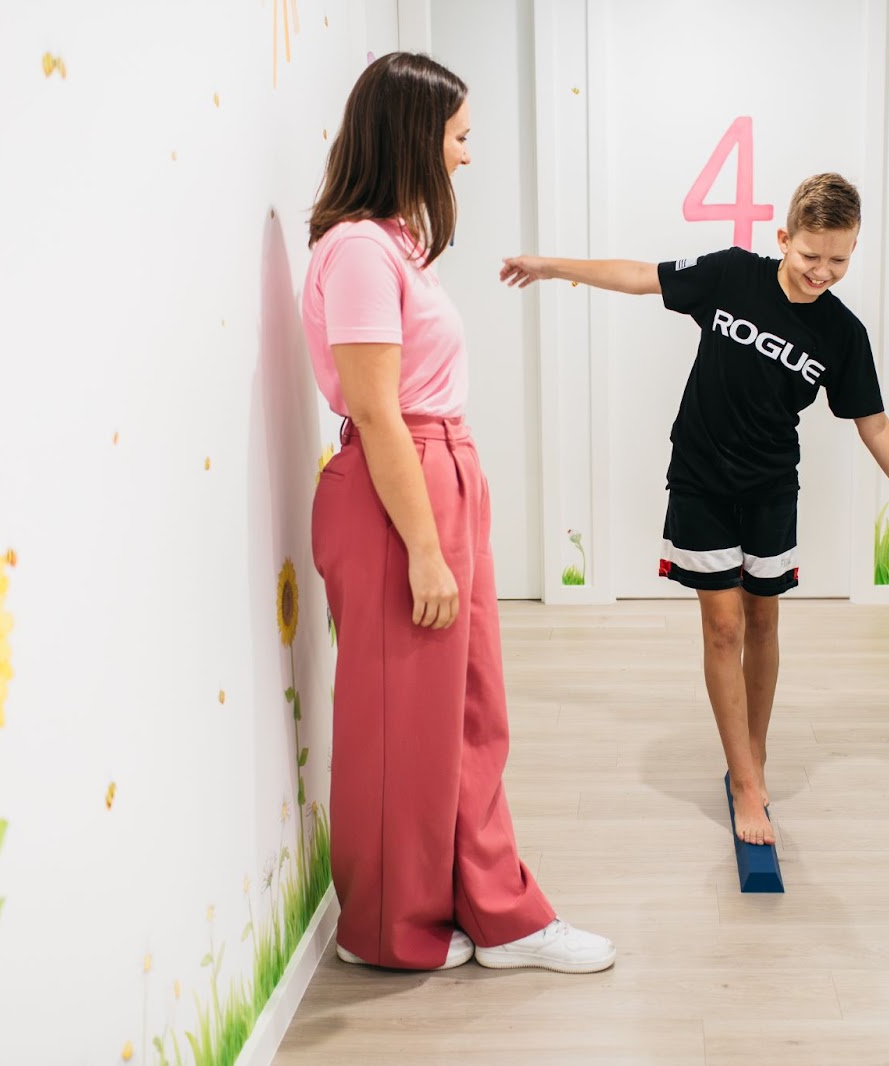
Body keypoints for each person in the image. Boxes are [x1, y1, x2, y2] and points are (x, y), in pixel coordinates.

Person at [499, 173, 889, 847]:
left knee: (763, 623)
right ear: (783, 239)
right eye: (810, 256)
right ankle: (744, 783)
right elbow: (640, 276)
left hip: (772, 487)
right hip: (701, 478)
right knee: (722, 627)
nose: (822, 272)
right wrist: (551, 265)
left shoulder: (841, 333)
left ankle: (754, 754)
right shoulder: (731, 276)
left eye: (839, 260)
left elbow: (875, 425)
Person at [302, 51, 614, 973]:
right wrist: (426, 550)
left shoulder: (393, 247)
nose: (466, 157)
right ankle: (392, 931)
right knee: (402, 721)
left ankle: (493, 907)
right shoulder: (359, 250)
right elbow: (373, 407)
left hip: (438, 468)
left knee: (472, 710)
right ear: (414, 135)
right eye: (461, 137)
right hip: (403, 482)